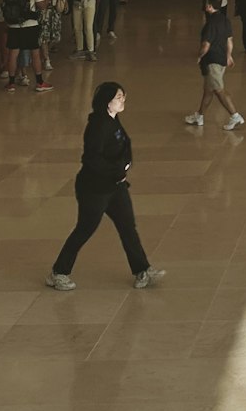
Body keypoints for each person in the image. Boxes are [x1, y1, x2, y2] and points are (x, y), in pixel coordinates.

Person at [47, 81, 165, 291]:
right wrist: (116, 171)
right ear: (106, 102)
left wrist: (123, 166)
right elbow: (91, 158)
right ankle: (59, 272)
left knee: (127, 226)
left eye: (123, 96)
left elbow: (124, 144)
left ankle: (142, 270)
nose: (122, 100)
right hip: (95, 189)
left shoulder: (113, 120)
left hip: (116, 187)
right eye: (118, 97)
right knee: (85, 229)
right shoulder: (98, 126)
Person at [185, 0, 245, 131]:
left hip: (213, 62)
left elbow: (206, 45)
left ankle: (235, 115)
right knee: (208, 90)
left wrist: (200, 55)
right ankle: (199, 116)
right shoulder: (225, 20)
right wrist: (228, 56)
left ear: (209, 7)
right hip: (221, 60)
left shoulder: (210, 24)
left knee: (219, 90)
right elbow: (229, 40)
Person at [0, 0, 52, 93]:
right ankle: (39, 82)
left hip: (13, 25)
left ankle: (11, 83)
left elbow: (1, 3)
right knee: (35, 53)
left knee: (13, 53)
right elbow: (41, 6)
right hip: (30, 25)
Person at [38, 0, 65, 72]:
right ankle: (46, 58)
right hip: (45, 9)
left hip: (54, 8)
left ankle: (44, 54)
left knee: (53, 36)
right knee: (44, 34)